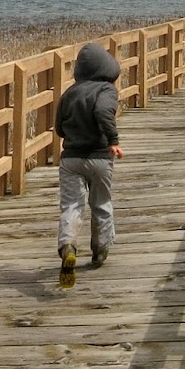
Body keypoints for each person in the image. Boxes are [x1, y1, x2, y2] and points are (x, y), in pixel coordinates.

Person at [54, 42, 123, 287]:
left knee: (71, 205)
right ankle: (100, 250)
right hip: (99, 157)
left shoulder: (69, 93)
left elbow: (59, 128)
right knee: (101, 203)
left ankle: (68, 245)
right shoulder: (106, 90)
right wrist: (113, 140)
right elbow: (104, 112)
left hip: (71, 158)